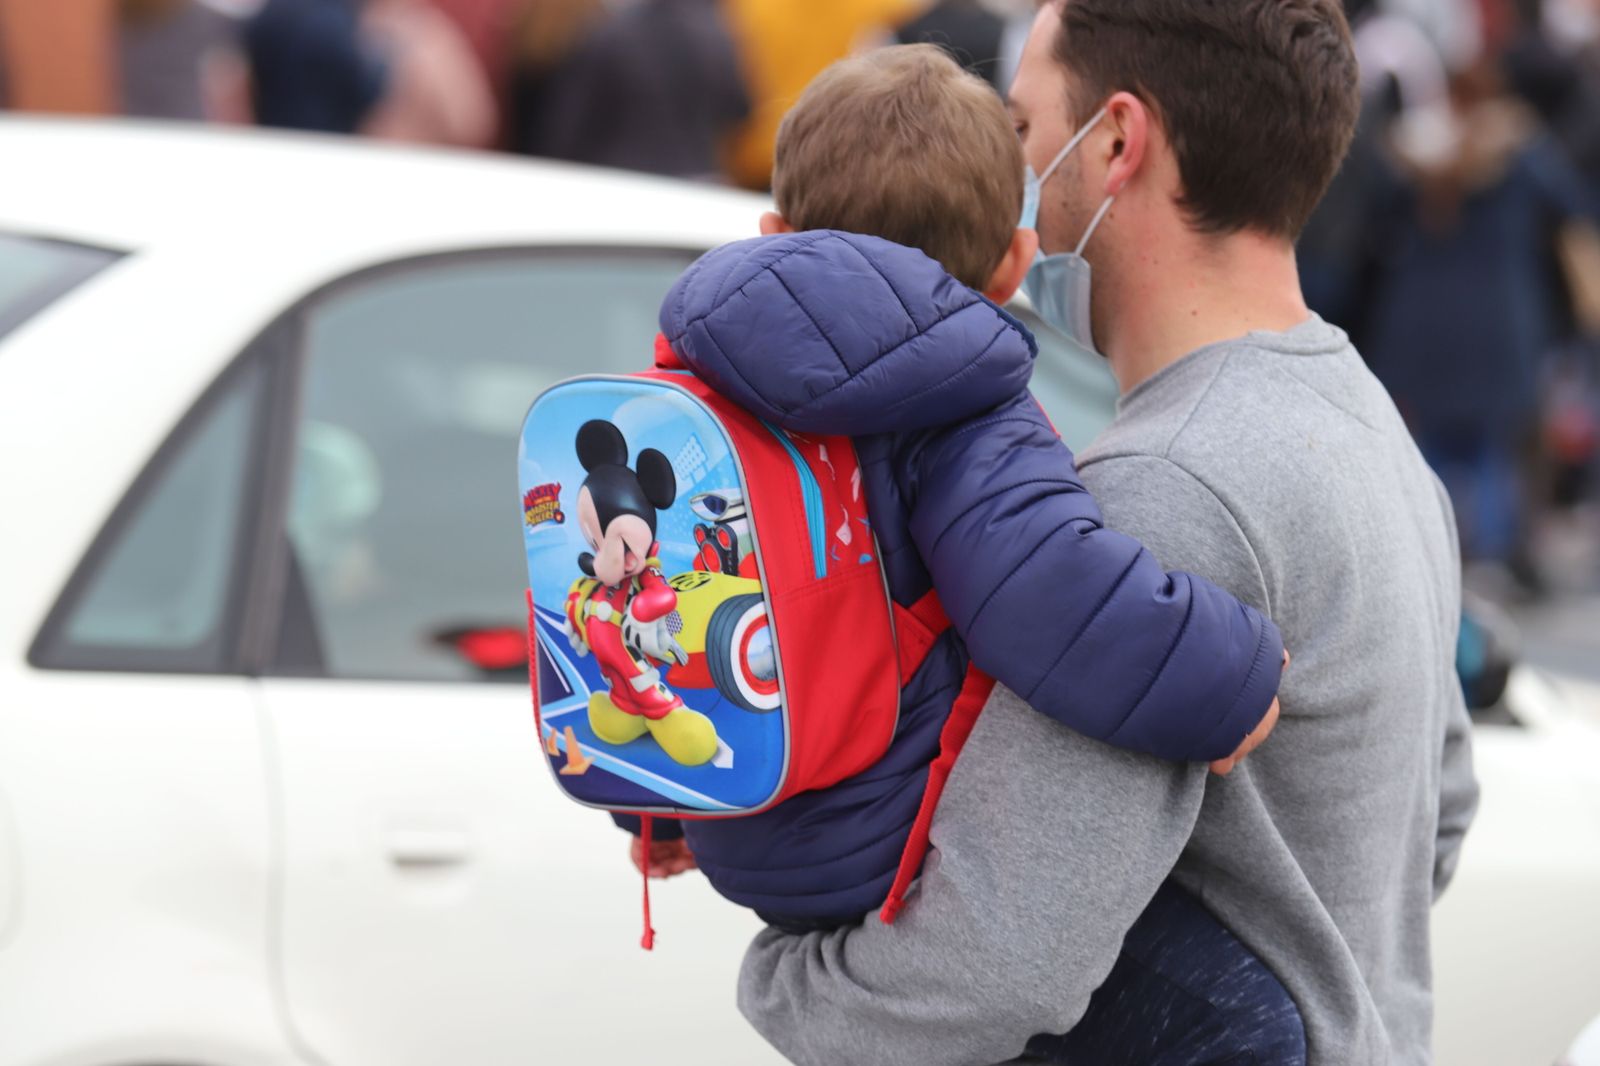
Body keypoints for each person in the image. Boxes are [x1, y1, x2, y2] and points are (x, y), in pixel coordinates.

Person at [737, 3, 1478, 1064]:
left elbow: (993, 961)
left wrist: (782, 978)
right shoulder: (1370, 426)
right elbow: (1436, 814)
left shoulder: (1160, 491)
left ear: (1119, 141)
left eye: (1020, 130)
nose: (1005, 174)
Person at [635, 40, 1294, 1048]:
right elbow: (1056, 601)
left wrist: (666, 810)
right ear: (1011, 269)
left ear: (773, 232)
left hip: (739, 813)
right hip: (888, 843)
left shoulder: (702, 389)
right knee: (1239, 1009)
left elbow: (671, 605)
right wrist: (1233, 674)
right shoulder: (965, 412)